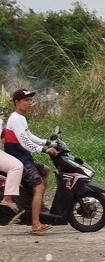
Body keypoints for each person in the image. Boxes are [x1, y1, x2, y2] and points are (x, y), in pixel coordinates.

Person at [4, 89, 58, 234]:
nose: (30, 103)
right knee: (38, 187)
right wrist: (45, 150)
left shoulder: (20, 117)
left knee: (45, 171)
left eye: (31, 100)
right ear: (17, 102)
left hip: (24, 157)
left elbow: (29, 135)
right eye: (26, 100)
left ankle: (39, 205)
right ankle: (36, 224)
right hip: (19, 158)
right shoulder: (15, 119)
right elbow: (25, 142)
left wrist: (48, 142)